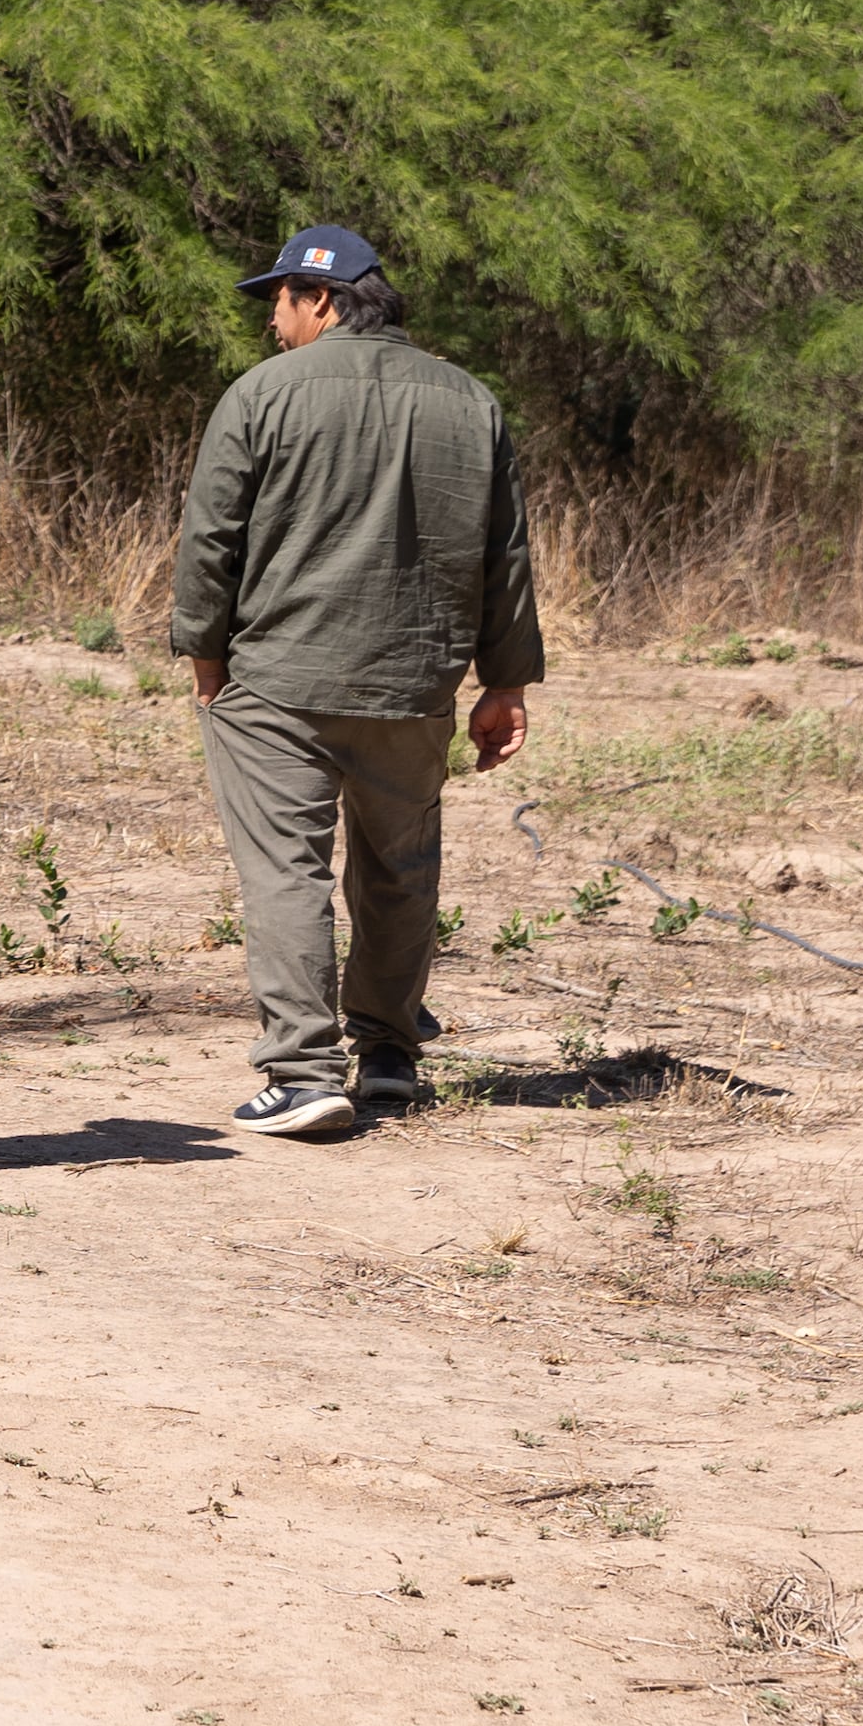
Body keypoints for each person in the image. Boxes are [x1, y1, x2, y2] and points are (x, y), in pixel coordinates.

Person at [171, 225, 545, 1137]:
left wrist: (205, 656)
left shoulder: (261, 395)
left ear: (324, 299)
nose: (273, 321)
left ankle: (301, 1072)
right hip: (414, 683)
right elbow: (506, 554)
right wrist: (505, 682)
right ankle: (387, 1056)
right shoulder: (469, 401)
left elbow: (210, 539)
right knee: (400, 867)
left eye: (281, 300)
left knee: (287, 870)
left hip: (277, 681)